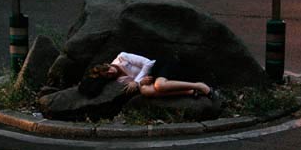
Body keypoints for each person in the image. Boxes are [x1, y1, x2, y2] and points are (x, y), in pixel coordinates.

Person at [78, 52, 215, 99]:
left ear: (107, 64)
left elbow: (147, 63)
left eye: (108, 69)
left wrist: (137, 81)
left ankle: (199, 85)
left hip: (159, 65)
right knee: (145, 91)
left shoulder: (122, 57)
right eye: (107, 75)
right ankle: (189, 92)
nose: (110, 72)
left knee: (159, 85)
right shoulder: (119, 80)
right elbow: (139, 86)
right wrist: (141, 84)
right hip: (152, 79)